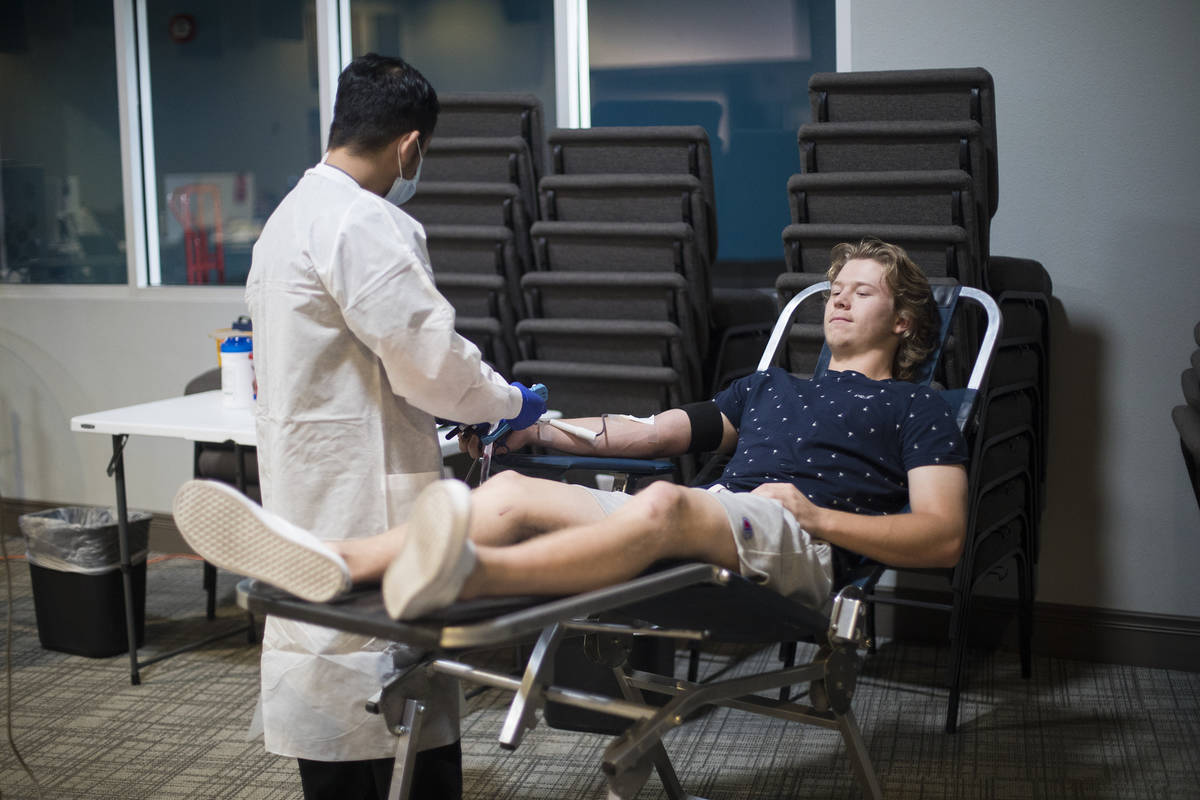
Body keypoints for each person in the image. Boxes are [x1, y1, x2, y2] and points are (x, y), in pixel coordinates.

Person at [176, 238, 967, 633]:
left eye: (859, 293)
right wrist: (541, 428)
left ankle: (463, 578)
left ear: (901, 322)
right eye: (833, 289)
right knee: (517, 489)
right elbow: (653, 431)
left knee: (667, 505)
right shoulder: (770, 386)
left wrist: (816, 515)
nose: (836, 301)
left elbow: (941, 538)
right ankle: (334, 563)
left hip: (799, 552)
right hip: (714, 524)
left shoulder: (920, 408)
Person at [235, 54, 545, 800]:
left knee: (331, 669)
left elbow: (368, 364)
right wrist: (510, 404)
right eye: (422, 155)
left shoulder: (286, 219)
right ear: (410, 146)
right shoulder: (362, 221)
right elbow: (429, 361)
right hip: (364, 489)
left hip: (308, 477)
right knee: (390, 682)